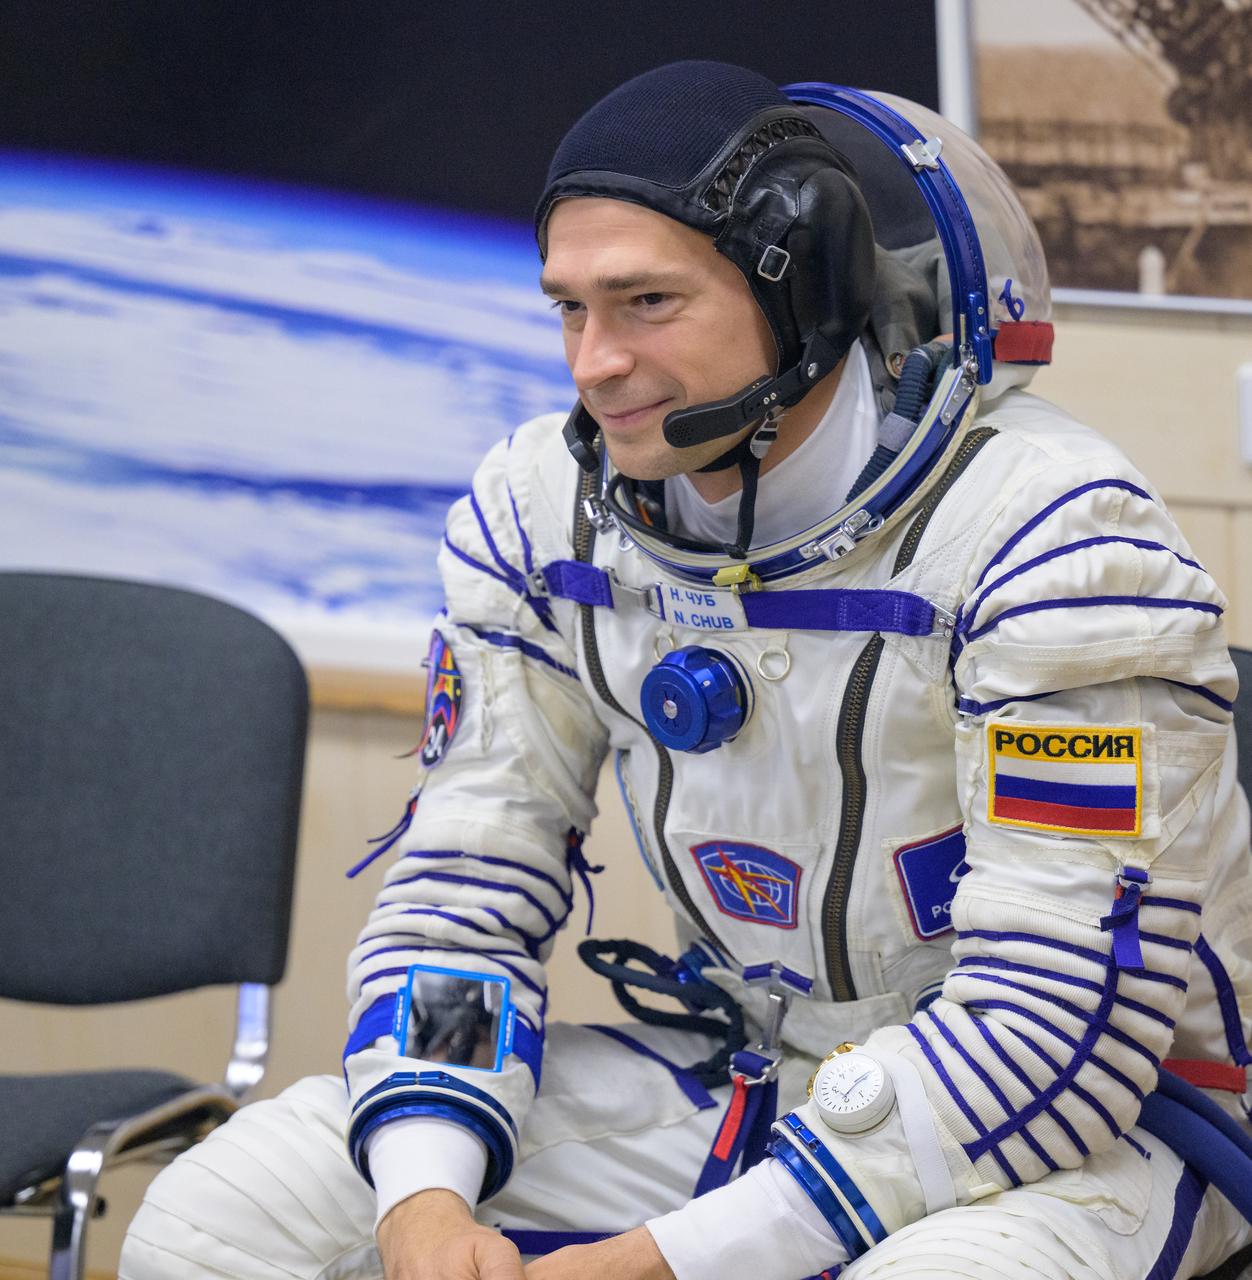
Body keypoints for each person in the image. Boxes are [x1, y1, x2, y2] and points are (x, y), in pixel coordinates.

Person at [121, 61, 1252, 1280]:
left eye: (646, 302)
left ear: (803, 292)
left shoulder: (1056, 543)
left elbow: (1054, 1022)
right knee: (221, 1214)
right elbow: (466, 885)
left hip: (1104, 1114)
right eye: (569, 308)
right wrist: (424, 1199)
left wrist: (655, 1260)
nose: (592, 363)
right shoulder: (544, 515)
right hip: (756, 1065)